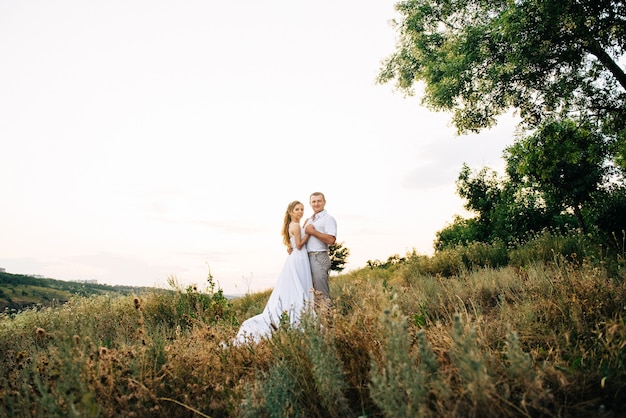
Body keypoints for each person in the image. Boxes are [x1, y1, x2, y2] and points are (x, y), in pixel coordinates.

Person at [234, 201, 314, 345]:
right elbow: (300, 244)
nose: (300, 212)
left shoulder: (294, 225)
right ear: (291, 212)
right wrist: (308, 232)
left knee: (297, 287)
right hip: (299, 258)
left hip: (298, 257)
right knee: (299, 287)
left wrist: (305, 227)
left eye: (302, 209)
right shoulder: (295, 226)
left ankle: (297, 312)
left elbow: (295, 243)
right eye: (297, 209)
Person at [303, 192, 337, 312]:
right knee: (311, 294)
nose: (316, 204)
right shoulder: (309, 220)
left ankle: (328, 325)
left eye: (319, 201)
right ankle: (318, 325)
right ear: (310, 203)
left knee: (321, 294)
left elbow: (331, 240)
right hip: (307, 259)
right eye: (314, 201)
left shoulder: (328, 219)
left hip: (319, 257)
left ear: (324, 202)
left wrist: (314, 232)